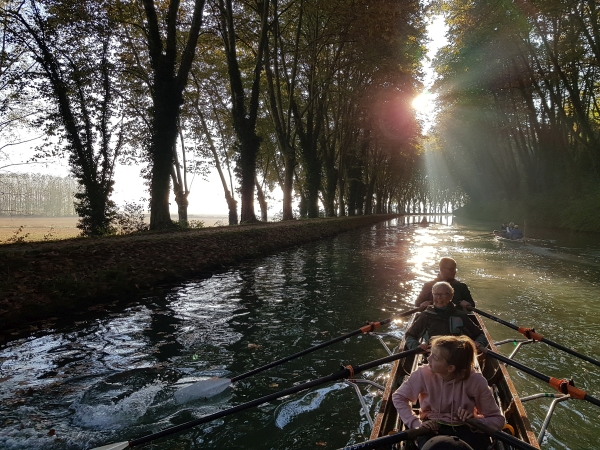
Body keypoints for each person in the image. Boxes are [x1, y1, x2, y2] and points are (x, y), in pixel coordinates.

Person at [392, 335, 505, 450]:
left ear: (451, 368)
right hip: (431, 427)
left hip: (467, 428)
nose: (428, 359)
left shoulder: (476, 381)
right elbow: (399, 397)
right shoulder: (422, 374)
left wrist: (475, 422)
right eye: (430, 354)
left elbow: (497, 420)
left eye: (435, 357)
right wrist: (416, 423)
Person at [406, 282, 487, 351]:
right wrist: (416, 346)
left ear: (451, 296)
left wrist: (479, 343)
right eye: (436, 294)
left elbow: (480, 335)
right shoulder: (426, 315)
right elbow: (410, 335)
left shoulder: (460, 316)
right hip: (433, 357)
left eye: (442, 294)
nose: (439, 298)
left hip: (456, 355)